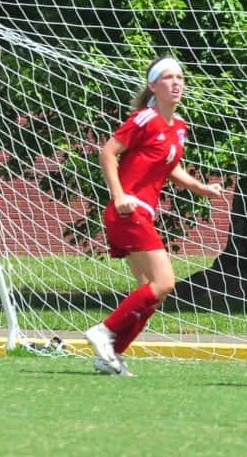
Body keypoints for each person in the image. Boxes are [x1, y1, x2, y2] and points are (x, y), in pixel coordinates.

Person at [85, 57, 224, 377]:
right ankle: (104, 331)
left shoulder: (179, 127)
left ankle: (112, 354)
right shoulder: (143, 119)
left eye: (180, 77)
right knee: (164, 283)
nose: (176, 83)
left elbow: (169, 165)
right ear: (152, 85)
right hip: (128, 210)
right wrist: (119, 194)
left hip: (142, 213)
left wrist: (201, 188)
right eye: (168, 77)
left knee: (151, 293)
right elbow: (108, 152)